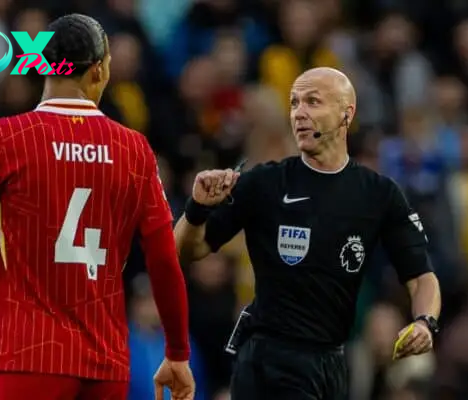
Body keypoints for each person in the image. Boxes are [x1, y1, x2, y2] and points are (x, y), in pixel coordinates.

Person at [0, 14, 195, 400]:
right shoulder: (135, 150)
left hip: (26, 359)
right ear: (97, 71)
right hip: (106, 365)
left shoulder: (3, 139)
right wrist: (177, 353)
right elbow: (163, 260)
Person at [174, 67, 441, 399]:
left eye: (313, 102)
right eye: (294, 103)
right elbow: (185, 250)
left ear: (347, 113)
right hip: (270, 360)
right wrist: (197, 209)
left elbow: (421, 277)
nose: (299, 112)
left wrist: (424, 322)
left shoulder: (378, 194)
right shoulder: (265, 183)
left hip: (332, 362)